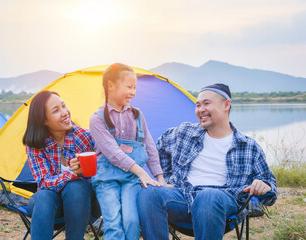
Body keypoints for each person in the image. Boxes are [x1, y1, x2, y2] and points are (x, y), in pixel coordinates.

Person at [137, 83, 277, 240]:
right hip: (183, 198)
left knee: (207, 197)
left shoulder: (248, 146)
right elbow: (158, 148)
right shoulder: (185, 132)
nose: (200, 109)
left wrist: (263, 185)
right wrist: (165, 178)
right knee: (150, 193)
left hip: (223, 203)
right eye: (198, 105)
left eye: (206, 103)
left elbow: (270, 189)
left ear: (226, 105)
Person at [89, 63, 167, 240]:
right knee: (113, 223)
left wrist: (159, 177)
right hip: (106, 179)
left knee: (132, 221)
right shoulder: (97, 119)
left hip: (130, 180)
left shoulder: (137, 115)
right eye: (129, 87)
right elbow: (114, 154)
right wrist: (141, 173)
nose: (133, 92)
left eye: (135, 88)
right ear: (110, 86)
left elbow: (149, 147)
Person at [22, 90, 100, 240]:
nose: (65, 113)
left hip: (82, 203)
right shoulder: (36, 145)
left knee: (76, 186)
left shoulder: (85, 137)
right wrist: (71, 173)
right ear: (43, 120)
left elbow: (107, 162)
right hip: (50, 206)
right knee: (43, 196)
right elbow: (44, 182)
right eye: (56, 110)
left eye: (64, 106)